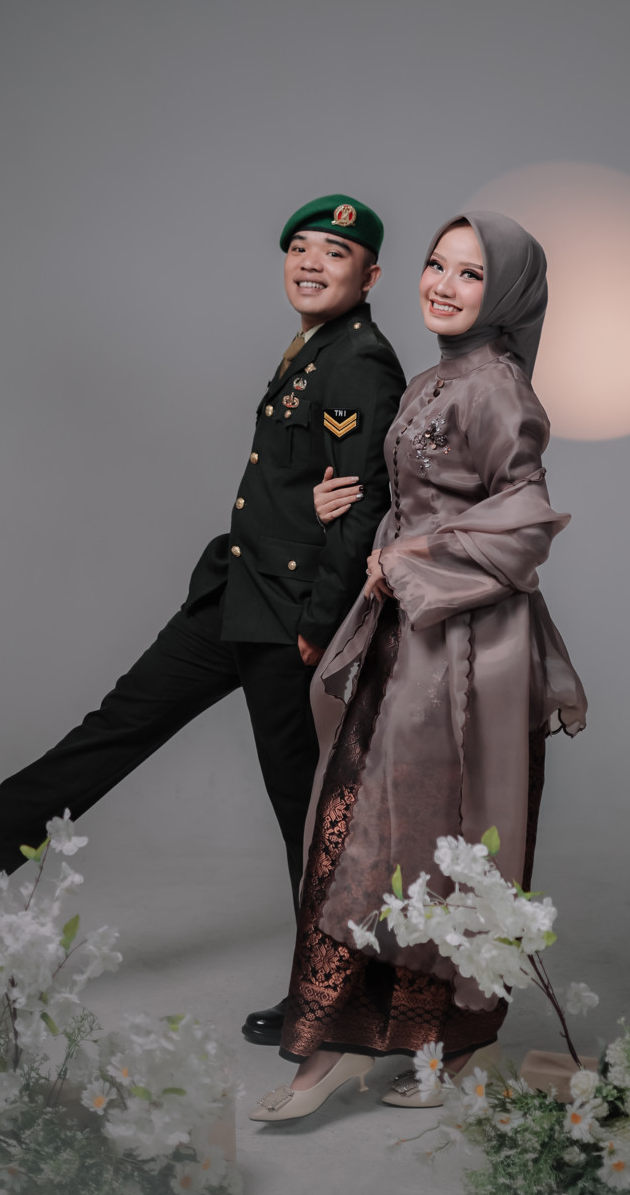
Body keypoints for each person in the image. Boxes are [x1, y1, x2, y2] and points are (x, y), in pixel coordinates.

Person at [0, 195, 407, 1044]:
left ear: (369, 276)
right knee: (119, 723)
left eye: (333, 253)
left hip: (289, 614)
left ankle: (341, 991)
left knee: (304, 808)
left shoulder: (360, 361)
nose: (309, 263)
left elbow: (365, 499)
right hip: (237, 591)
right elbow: (308, 484)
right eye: (299, 247)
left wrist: (320, 620)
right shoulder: (314, 348)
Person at [248, 211, 587, 1121]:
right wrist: (346, 513)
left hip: (466, 651)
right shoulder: (437, 377)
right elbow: (408, 491)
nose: (442, 284)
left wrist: (409, 555)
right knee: (372, 834)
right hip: (407, 637)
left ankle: (439, 1043)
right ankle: (359, 1043)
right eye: (437, 265)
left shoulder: (499, 388)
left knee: (431, 844)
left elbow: (523, 526)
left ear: (505, 293)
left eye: (470, 274)